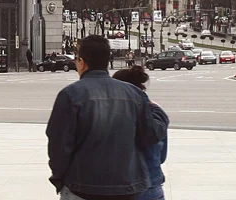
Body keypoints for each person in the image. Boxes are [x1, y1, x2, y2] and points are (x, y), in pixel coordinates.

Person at [46, 35, 168, 200]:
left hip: (81, 186)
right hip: (126, 188)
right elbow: (150, 135)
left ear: (81, 62)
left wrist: (59, 177)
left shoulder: (70, 95)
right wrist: (160, 115)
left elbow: (58, 145)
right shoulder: (134, 94)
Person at [113, 66, 168, 200]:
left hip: (121, 187)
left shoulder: (113, 114)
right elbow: (161, 157)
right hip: (152, 184)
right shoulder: (155, 113)